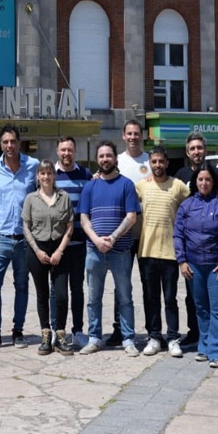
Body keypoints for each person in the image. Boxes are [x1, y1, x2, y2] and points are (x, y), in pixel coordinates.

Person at [77, 141, 140, 356]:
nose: (105, 159)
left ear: (115, 158)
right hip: (94, 251)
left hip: (120, 251)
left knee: (125, 297)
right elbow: (84, 219)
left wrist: (112, 238)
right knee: (93, 298)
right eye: (101, 156)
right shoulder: (90, 186)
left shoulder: (126, 185)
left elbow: (131, 217)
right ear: (97, 159)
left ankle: (128, 339)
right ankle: (94, 338)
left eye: (109, 155)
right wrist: (97, 240)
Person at [0, 124, 39, 351]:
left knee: (22, 286)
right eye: (5, 142)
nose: (9, 145)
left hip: (25, 239)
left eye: (13, 141)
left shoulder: (33, 165)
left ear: (19, 143)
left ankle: (18, 331)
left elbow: (48, 184)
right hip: (2, 238)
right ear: (1, 144)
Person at [173, 132, 218, 347]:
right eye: (192, 148)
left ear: (205, 150)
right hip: (192, 250)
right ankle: (196, 334)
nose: (196, 151)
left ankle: (216, 342)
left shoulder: (217, 173)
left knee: (216, 301)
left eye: (200, 147)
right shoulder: (180, 174)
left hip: (214, 251)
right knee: (194, 298)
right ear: (187, 152)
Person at [136, 146, 190, 357]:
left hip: (170, 253)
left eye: (161, 161)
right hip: (147, 252)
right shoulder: (141, 186)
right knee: (151, 298)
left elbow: (191, 208)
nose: (157, 165)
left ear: (167, 163)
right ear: (149, 163)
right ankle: (154, 337)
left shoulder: (178, 186)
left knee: (170, 298)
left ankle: (173, 337)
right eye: (154, 161)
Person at [23, 159, 75, 355]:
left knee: (61, 294)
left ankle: (60, 335)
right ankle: (45, 334)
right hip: (38, 249)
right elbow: (26, 227)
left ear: (54, 176)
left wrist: (59, 251)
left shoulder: (64, 197)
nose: (46, 177)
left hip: (59, 248)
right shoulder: (31, 198)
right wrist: (37, 250)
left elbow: (69, 226)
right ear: (38, 176)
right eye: (42, 173)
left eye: (49, 173)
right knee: (42, 294)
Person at [110, 120, 151, 346]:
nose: (133, 137)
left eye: (136, 133)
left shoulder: (150, 161)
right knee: (122, 284)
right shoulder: (117, 161)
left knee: (148, 284)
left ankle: (152, 330)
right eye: (129, 133)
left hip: (146, 234)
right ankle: (119, 329)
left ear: (142, 136)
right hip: (123, 234)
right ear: (123, 136)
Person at [53, 136, 93, 346]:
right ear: (57, 151)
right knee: (57, 292)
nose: (66, 153)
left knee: (77, 289)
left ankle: (77, 330)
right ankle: (55, 330)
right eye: (63, 150)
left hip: (79, 244)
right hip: (56, 245)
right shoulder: (50, 174)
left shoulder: (85, 175)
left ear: (75, 151)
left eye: (70, 150)